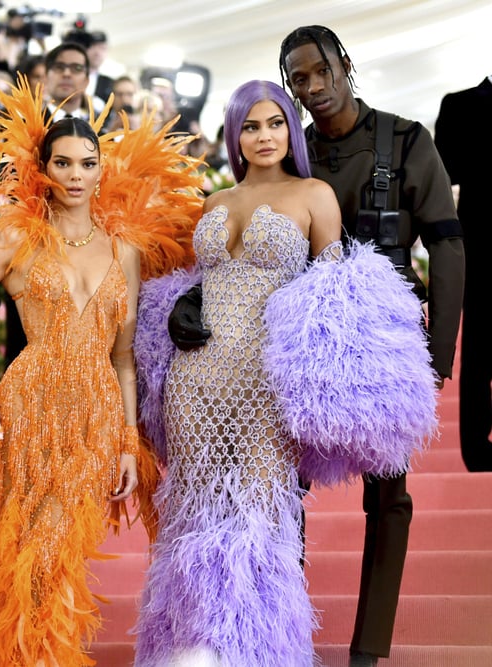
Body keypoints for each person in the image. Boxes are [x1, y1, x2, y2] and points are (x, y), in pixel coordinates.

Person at [0, 77, 201, 664]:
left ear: (102, 170)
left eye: (87, 162)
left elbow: (123, 357)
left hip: (98, 414)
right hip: (28, 408)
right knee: (29, 552)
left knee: (62, 554)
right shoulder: (13, 239)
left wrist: (129, 441)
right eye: (62, 163)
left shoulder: (123, 248)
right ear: (42, 169)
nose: (76, 174)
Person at [134, 80, 343, 666]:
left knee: (258, 518)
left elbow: (332, 298)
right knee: (195, 515)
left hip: (264, 378)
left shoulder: (315, 195)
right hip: (195, 380)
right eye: (250, 126)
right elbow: (198, 284)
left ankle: (254, 653)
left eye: (275, 123)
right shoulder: (215, 202)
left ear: (291, 130)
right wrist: (183, 303)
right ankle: (193, 647)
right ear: (234, 135)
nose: (264, 136)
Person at [279, 26, 464, 666]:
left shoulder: (408, 140)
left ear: (344, 66)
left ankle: (368, 649)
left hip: (387, 345)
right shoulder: (287, 149)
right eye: (298, 78)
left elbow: (446, 240)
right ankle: (282, 629)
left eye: (321, 71)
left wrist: (438, 355)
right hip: (304, 345)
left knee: (389, 497)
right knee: (281, 487)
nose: (313, 87)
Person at [435, 77, 492, 472]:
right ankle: (477, 447)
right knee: (480, 342)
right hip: (482, 241)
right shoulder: (462, 105)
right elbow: (445, 172)